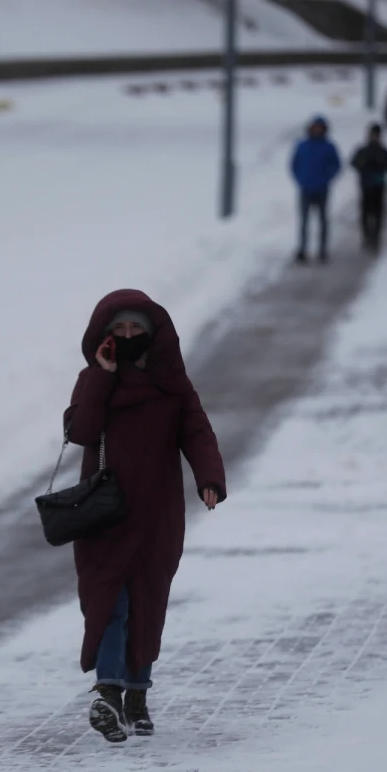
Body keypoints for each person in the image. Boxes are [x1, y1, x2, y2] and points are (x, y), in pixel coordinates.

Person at [64, 289, 226, 743]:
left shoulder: (172, 384)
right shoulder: (93, 380)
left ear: (153, 334)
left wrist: (209, 478)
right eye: (119, 328)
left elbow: (197, 431)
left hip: (157, 514)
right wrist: (102, 376)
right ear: (104, 335)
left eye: (136, 328)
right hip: (104, 515)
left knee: (146, 604)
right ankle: (109, 695)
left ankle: (136, 697)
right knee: (108, 602)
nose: (128, 334)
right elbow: (81, 431)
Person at [289, 115, 342, 264]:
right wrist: (301, 180)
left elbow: (336, 165)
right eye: (315, 127)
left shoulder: (328, 147)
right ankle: (303, 249)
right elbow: (294, 164)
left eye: (320, 127)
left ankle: (322, 250)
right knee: (304, 221)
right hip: (305, 188)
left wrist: (326, 178)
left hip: (322, 189)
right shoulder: (303, 145)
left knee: (323, 221)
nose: (317, 130)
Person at [350, 123, 387, 252]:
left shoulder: (382, 151)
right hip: (366, 185)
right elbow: (354, 163)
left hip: (378, 185)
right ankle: (367, 236)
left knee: (377, 213)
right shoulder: (364, 150)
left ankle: (375, 237)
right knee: (366, 213)